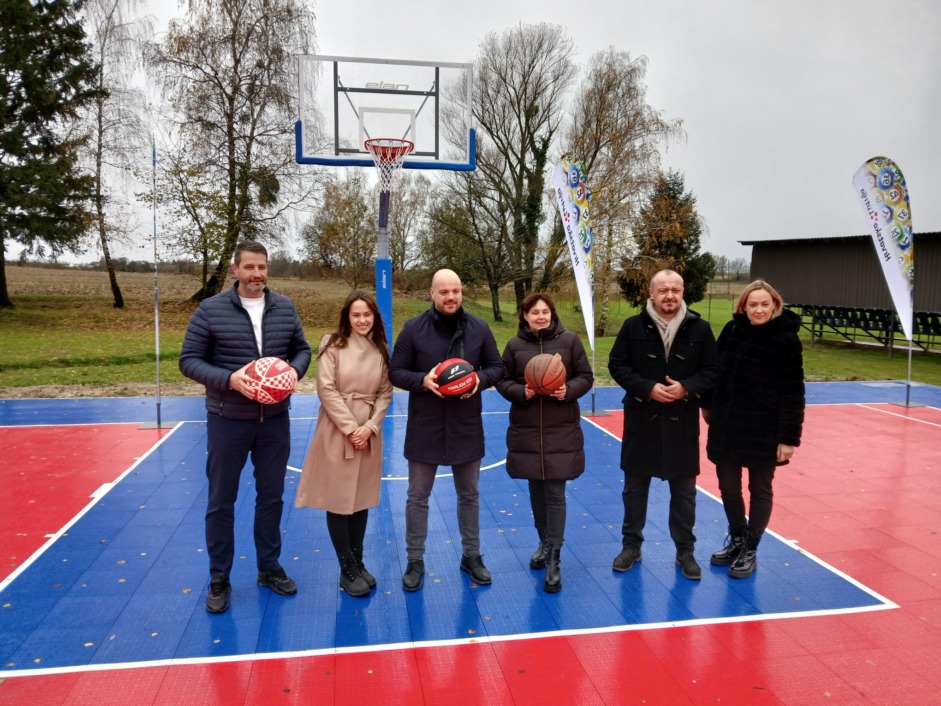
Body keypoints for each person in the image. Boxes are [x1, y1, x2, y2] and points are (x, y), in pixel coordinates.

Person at [179, 240, 311, 614]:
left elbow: (302, 349)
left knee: (271, 498)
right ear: (235, 269)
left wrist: (291, 374)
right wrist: (229, 379)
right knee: (221, 500)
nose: (257, 275)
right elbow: (189, 361)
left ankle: (268, 568)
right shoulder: (210, 310)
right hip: (228, 420)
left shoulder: (284, 307)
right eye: (250, 267)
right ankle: (219, 576)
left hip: (274, 421)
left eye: (263, 268)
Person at [388, 268, 504, 591]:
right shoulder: (413, 329)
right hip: (426, 425)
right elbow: (395, 372)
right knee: (417, 496)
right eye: (444, 291)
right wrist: (421, 381)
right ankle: (415, 560)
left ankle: (472, 556)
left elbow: (498, 367)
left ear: (461, 291)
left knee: (469, 494)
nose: (451, 297)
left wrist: (479, 380)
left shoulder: (479, 329)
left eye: (456, 290)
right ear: (432, 293)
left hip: (465, 425)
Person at [607, 269, 719, 580]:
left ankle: (685, 551)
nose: (669, 295)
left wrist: (686, 387)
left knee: (684, 494)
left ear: (683, 292)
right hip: (642, 419)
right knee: (634, 490)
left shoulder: (700, 328)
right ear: (651, 293)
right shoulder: (632, 327)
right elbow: (617, 364)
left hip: (682, 422)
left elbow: (713, 370)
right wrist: (646, 387)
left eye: (675, 289)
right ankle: (631, 546)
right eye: (663, 290)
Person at [703, 279, 805, 578]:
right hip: (728, 426)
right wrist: (709, 406)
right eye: (753, 304)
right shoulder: (732, 331)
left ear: (774, 305)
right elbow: (715, 371)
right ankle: (736, 540)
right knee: (728, 488)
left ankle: (751, 548)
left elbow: (793, 391)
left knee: (760, 489)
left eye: (764, 304)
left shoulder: (786, 339)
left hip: (765, 430)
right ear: (743, 307)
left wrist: (789, 438)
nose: (759, 309)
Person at [295, 291, 393, 597]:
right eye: (356, 315)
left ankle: (358, 562)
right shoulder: (332, 344)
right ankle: (346, 569)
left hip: (369, 434)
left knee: (360, 499)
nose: (362, 320)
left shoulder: (380, 348)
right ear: (347, 317)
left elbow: (386, 393)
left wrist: (371, 426)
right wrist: (352, 428)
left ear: (374, 317)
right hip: (338, 431)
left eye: (367, 315)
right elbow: (325, 389)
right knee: (339, 501)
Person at [495, 293, 593, 593]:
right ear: (524, 315)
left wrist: (567, 390)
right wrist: (519, 392)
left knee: (554, 492)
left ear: (552, 314)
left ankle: (554, 557)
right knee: (536, 490)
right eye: (534, 312)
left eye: (545, 311)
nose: (541, 316)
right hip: (527, 430)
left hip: (560, 429)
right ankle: (544, 541)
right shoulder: (514, 346)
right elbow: (502, 379)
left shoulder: (571, 341)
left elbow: (586, 377)